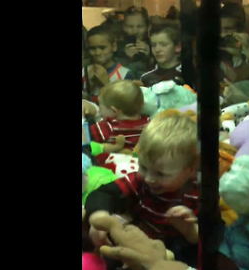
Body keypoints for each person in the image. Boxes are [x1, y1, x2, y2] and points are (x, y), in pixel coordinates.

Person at [85, 110, 216, 268]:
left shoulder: (201, 194)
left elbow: (208, 241)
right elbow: (104, 193)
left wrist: (188, 229)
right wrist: (102, 218)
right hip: (136, 240)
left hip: (173, 253)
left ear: (191, 170)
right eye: (143, 167)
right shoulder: (140, 181)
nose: (149, 179)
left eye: (161, 174)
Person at [84, 80, 150, 155]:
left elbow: (84, 137)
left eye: (100, 106)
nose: (99, 109)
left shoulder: (108, 126)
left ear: (114, 110)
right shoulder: (148, 123)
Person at [86, 25, 131, 102]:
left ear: (114, 46)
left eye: (102, 48)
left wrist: (106, 84)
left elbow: (127, 105)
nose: (97, 52)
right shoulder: (84, 72)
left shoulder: (125, 74)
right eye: (92, 48)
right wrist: (88, 86)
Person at [115, 6, 154, 80]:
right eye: (130, 26)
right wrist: (125, 58)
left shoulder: (155, 44)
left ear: (148, 27)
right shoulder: (117, 47)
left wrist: (151, 56)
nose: (135, 31)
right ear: (123, 27)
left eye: (140, 26)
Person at [140, 23, 184, 87]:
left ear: (178, 47)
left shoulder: (188, 75)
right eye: (153, 45)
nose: (157, 50)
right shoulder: (146, 78)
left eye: (164, 45)